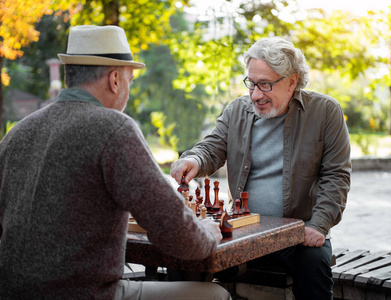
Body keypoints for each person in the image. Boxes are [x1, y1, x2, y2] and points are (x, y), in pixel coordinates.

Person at [0, 25, 231, 300]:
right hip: (87, 294)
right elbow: (174, 231)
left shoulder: (18, 133)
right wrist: (206, 232)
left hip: (11, 292)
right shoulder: (113, 128)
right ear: (115, 80)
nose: (128, 88)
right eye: (130, 81)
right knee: (216, 294)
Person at [171, 36, 351, 299]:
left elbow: (336, 177)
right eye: (251, 84)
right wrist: (194, 160)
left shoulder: (325, 112)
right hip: (244, 231)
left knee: (314, 265)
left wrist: (319, 225)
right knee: (184, 256)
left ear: (292, 81)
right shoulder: (237, 111)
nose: (255, 95)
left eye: (265, 85)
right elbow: (211, 148)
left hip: (297, 233)